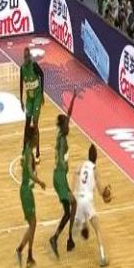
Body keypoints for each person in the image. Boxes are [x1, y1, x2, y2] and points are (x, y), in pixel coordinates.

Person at [49, 91, 77, 258]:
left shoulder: (62, 133)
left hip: (61, 177)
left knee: (71, 208)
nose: (69, 126)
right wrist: (61, 161)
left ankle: (64, 238)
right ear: (62, 127)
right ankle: (61, 238)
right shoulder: (61, 140)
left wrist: (73, 99)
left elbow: (68, 115)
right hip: (59, 178)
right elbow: (60, 154)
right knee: (71, 206)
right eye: (67, 125)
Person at [72, 144, 110, 267]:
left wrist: (73, 190)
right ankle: (102, 258)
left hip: (79, 199)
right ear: (96, 157)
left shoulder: (82, 165)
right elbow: (100, 191)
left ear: (88, 156)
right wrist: (106, 191)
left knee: (78, 222)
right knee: (98, 230)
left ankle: (82, 225)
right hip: (87, 201)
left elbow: (75, 172)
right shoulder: (95, 170)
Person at [16, 125, 46, 268]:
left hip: (27, 191)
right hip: (26, 192)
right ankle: (28, 256)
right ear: (32, 138)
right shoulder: (28, 153)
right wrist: (40, 182)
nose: (37, 138)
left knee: (32, 224)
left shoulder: (27, 151)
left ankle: (21, 249)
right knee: (33, 224)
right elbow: (29, 171)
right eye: (36, 136)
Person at [20, 47, 44, 164]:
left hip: (37, 97)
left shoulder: (34, 65)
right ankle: (24, 150)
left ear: (29, 57)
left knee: (35, 124)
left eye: (27, 57)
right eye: (24, 57)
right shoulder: (22, 68)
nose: (25, 59)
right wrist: (21, 100)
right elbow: (21, 84)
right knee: (26, 124)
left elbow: (42, 75)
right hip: (29, 98)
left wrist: (42, 93)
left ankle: (37, 152)